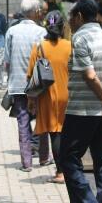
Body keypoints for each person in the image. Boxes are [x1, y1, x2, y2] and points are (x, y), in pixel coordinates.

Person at [60, 0, 102, 203]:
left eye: (71, 17)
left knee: (68, 158)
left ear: (79, 17)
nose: (69, 21)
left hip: (81, 111)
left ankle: (88, 202)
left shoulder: (80, 38)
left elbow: (89, 76)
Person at [27, 10, 71, 184]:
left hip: (48, 98)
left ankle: (61, 173)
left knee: (56, 134)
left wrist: (31, 101)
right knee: (68, 134)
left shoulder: (39, 48)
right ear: (62, 27)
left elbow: (30, 76)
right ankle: (70, 171)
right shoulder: (70, 46)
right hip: (69, 96)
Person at [4, 0, 48, 172]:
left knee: (23, 121)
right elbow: (45, 61)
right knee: (42, 120)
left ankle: (27, 163)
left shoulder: (12, 32)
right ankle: (44, 158)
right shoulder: (42, 32)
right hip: (38, 85)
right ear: (36, 12)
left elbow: (7, 61)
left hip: (17, 85)